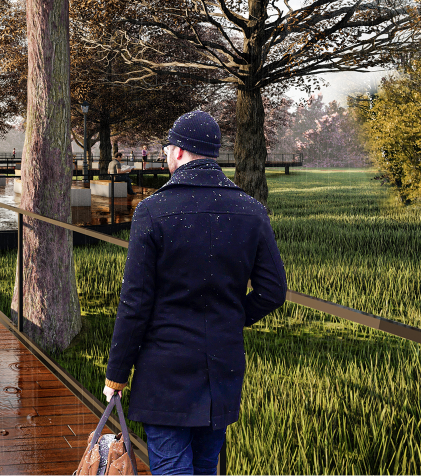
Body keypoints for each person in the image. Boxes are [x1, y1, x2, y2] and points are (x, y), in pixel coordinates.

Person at [102, 110, 287, 475]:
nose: (166, 155)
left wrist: (116, 375)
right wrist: (233, 317)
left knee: (171, 467)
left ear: (181, 151)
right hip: (223, 367)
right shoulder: (252, 211)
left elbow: (135, 302)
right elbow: (273, 291)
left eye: (168, 148)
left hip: (164, 370)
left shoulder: (153, 211)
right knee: (205, 467)